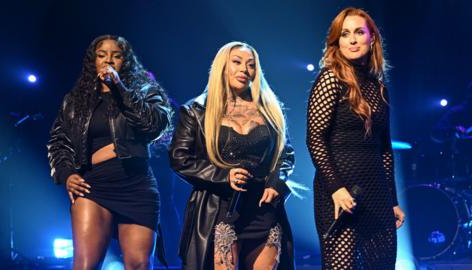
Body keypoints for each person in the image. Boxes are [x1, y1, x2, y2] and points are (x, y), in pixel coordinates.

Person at [47, 35, 172, 270]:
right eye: (102, 55)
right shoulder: (75, 100)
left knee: (139, 264)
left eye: (116, 55)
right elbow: (58, 140)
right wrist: (66, 174)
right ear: (92, 61)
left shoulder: (145, 91)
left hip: (136, 187)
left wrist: (120, 88)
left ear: (125, 61)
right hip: (93, 187)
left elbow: (153, 126)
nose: (109, 60)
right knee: (86, 265)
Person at [168, 41, 295, 270]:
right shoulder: (197, 110)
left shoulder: (270, 109)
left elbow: (286, 154)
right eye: (236, 62)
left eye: (251, 65)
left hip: (263, 211)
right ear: (222, 67)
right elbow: (180, 158)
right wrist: (223, 176)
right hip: (220, 210)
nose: (244, 70)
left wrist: (277, 181)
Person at [306, 8, 405, 269]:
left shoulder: (378, 87)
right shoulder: (330, 79)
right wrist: (336, 189)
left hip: (376, 195)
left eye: (358, 32)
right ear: (336, 42)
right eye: (344, 34)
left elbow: (384, 149)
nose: (351, 40)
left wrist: (392, 200)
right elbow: (315, 139)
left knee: (381, 264)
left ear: (372, 38)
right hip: (339, 192)